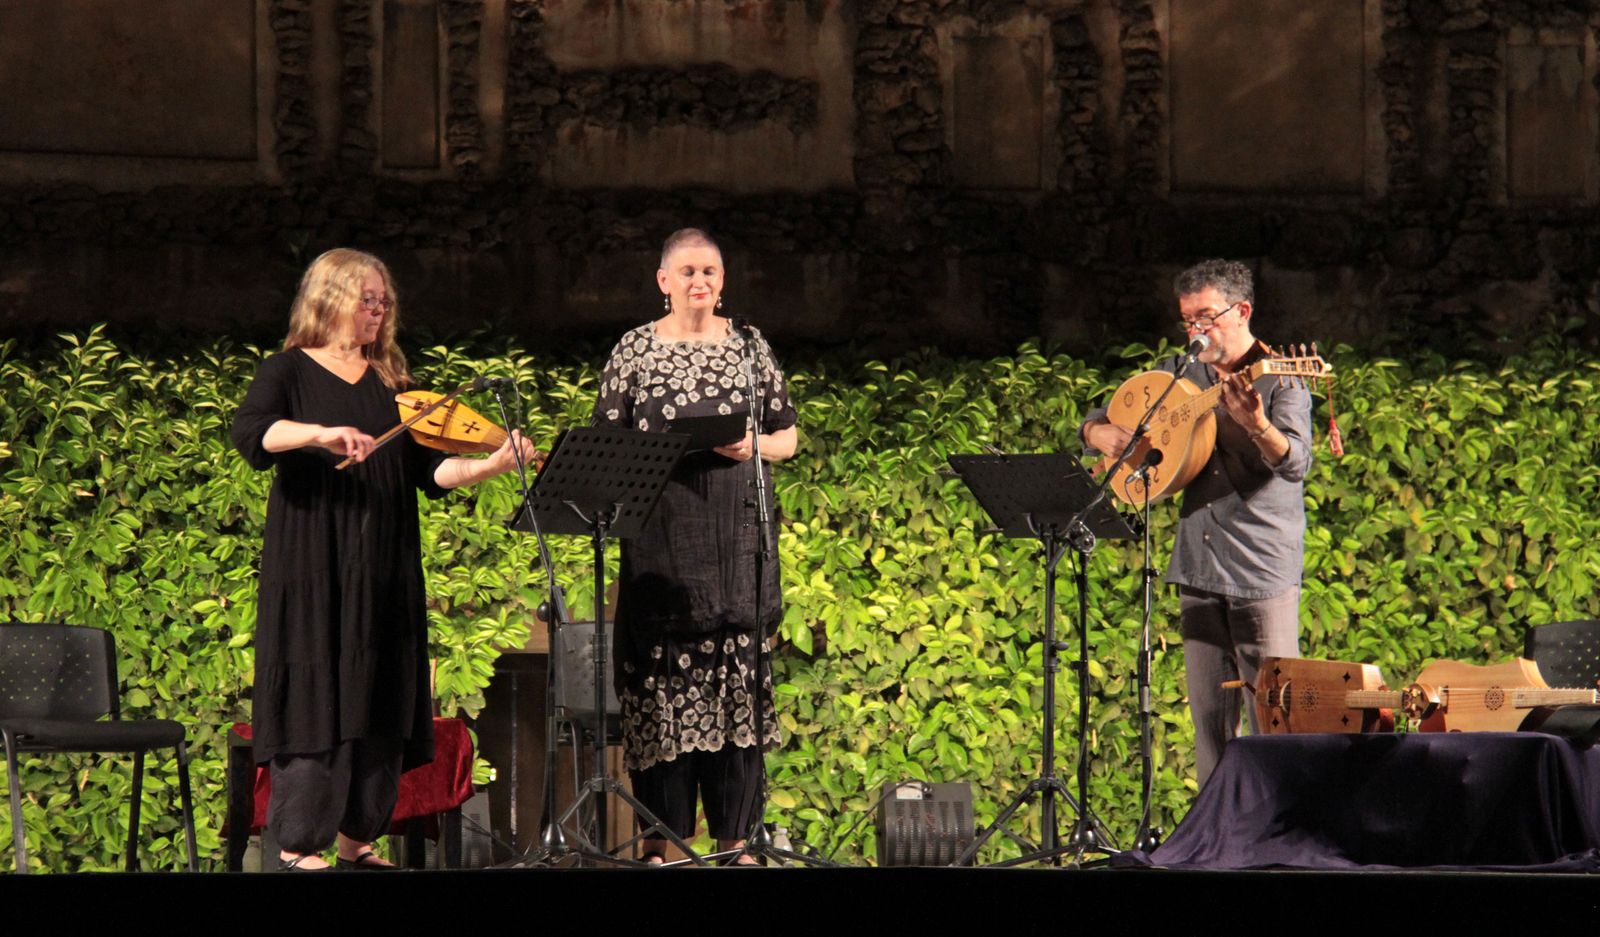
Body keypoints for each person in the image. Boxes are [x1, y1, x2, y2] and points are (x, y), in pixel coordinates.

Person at [231, 248, 536, 870]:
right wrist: (318, 433)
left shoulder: (393, 383)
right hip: (315, 564)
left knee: (377, 690)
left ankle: (358, 840)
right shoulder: (288, 370)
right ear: (329, 297)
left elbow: (431, 471)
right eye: (367, 298)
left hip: (385, 566)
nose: (379, 309)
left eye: (384, 301)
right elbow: (252, 432)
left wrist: (490, 464)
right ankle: (297, 846)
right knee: (317, 690)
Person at [592, 228, 798, 864]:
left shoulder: (749, 347)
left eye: (709, 270)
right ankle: (665, 841)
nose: (698, 281)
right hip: (661, 539)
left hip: (738, 537)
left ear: (723, 279)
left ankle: (736, 842)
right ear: (663, 281)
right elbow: (605, 447)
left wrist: (750, 447)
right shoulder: (634, 351)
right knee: (661, 685)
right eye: (686, 271)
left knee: (737, 678)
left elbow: (787, 438)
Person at [1080, 259, 1311, 788]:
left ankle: (1279, 845)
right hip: (1198, 564)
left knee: (1276, 723)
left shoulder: (1282, 376)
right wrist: (1098, 435)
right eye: (1187, 321)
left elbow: (1295, 463)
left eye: (1206, 317)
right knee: (1208, 727)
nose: (1195, 331)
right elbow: (1099, 415)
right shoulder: (1179, 373)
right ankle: (1213, 845)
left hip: (1261, 570)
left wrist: (1257, 425)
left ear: (1242, 310)